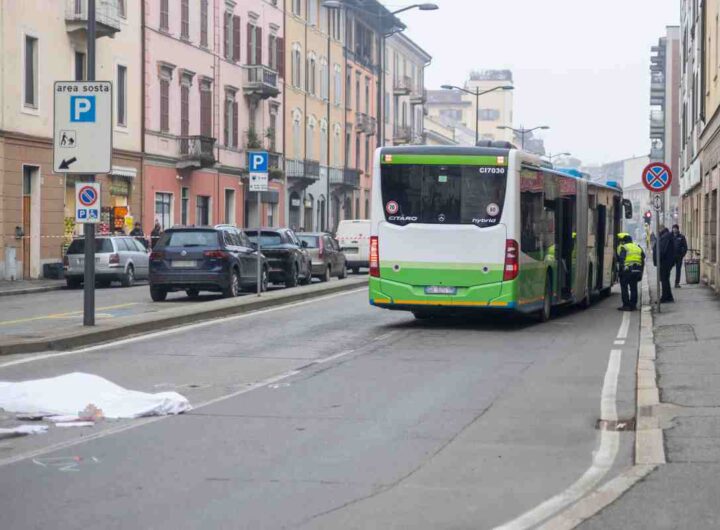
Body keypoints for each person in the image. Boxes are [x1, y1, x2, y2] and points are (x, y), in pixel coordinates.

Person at [616, 233, 645, 311]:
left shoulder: (624, 247)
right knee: (633, 287)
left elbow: (621, 259)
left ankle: (626, 305)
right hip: (637, 270)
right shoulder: (638, 247)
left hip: (627, 270)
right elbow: (643, 257)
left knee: (624, 287)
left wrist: (621, 271)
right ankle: (633, 305)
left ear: (624, 241)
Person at [653, 226, 676, 303]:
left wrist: (658, 259)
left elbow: (661, 250)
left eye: (658, 229)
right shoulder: (665, 236)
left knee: (664, 280)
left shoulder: (665, 237)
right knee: (665, 280)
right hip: (666, 262)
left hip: (664, 262)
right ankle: (669, 297)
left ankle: (665, 297)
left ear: (661, 229)